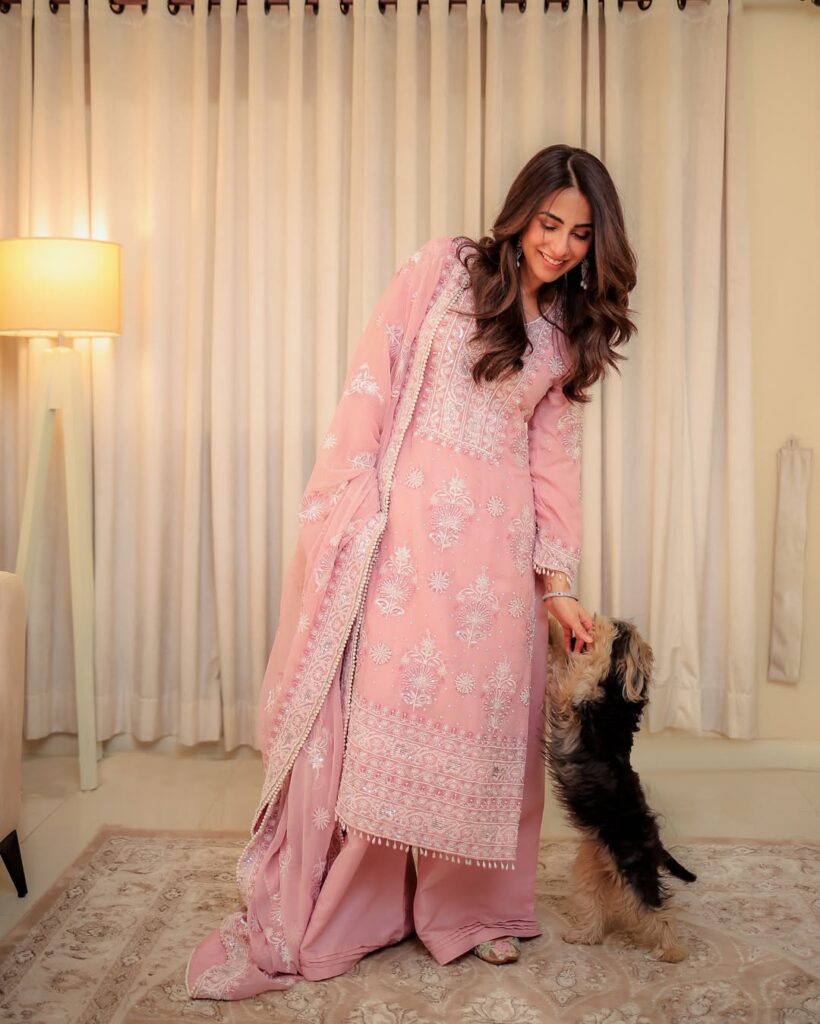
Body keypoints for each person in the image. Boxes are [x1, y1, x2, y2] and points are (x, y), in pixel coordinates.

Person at [186, 143, 637, 1000]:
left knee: (480, 739)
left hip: (496, 558)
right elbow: (373, 378)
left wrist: (558, 585)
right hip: (404, 540)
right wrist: (355, 504)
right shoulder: (443, 271)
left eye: (580, 234)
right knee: (389, 731)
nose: (560, 246)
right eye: (549, 224)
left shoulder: (567, 333)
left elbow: (553, 465)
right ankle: (361, 909)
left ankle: (474, 912)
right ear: (521, 213)